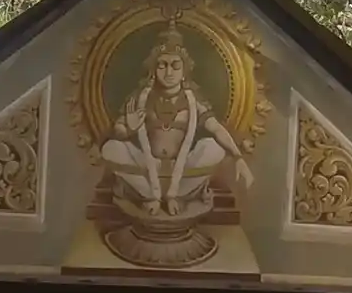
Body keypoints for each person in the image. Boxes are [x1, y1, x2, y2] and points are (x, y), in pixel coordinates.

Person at [99, 26, 252, 219]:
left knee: (213, 147)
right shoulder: (141, 98)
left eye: (175, 66)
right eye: (162, 65)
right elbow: (118, 132)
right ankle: (149, 196)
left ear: (184, 71)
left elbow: (215, 128)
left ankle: (176, 196)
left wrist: (238, 157)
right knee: (111, 148)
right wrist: (128, 127)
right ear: (154, 69)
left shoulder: (193, 100)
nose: (168, 72)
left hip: (183, 170)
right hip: (146, 167)